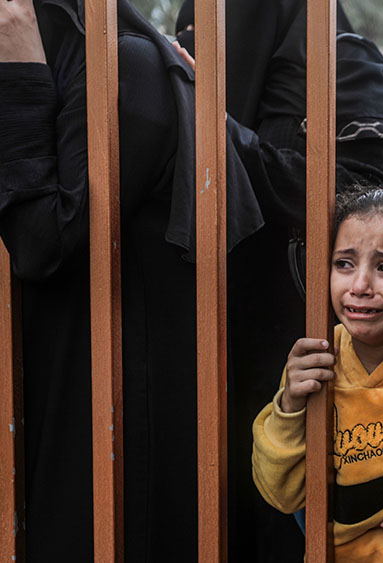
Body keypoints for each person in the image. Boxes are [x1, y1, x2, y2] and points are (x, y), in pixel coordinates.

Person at [0, 0, 262, 560]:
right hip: (59, 382)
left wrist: (20, 69)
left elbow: (41, 241)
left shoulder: (126, 68)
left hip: (116, 407)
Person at [172, 3, 383, 559]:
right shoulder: (190, 78)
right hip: (221, 351)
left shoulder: (343, 65)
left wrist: (217, 129)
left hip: (325, 350)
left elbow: (373, 204)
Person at [252, 184, 383, 563]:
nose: (359, 286)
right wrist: (290, 406)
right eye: (344, 264)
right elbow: (282, 496)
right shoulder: (316, 361)